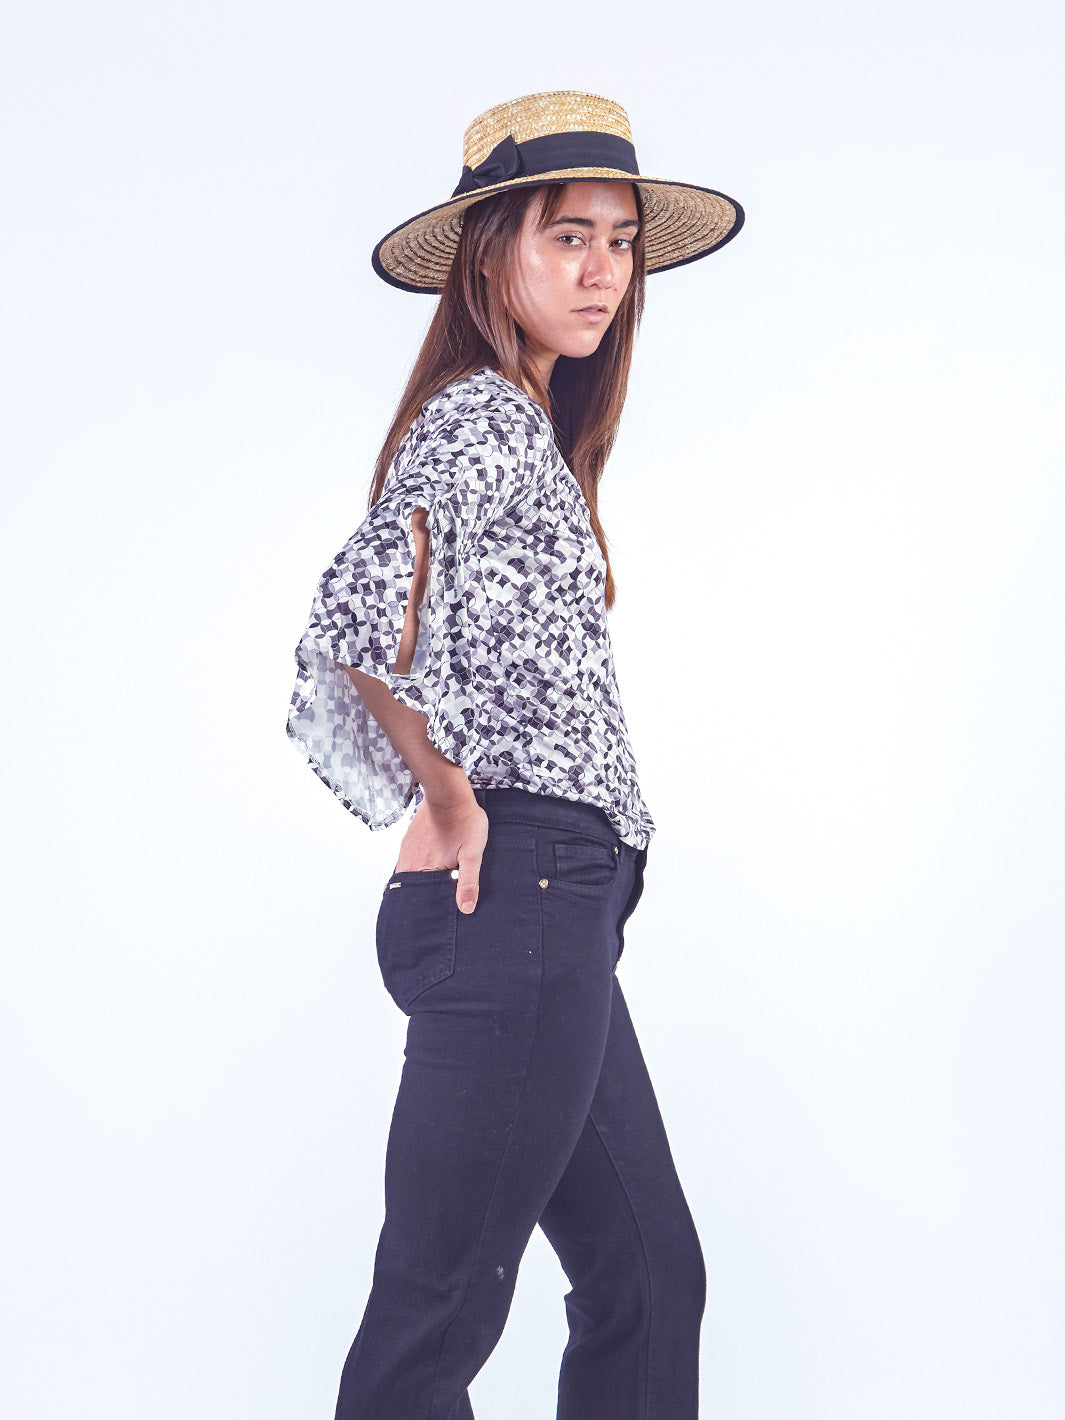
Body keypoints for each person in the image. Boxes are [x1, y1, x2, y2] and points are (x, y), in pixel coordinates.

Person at [287, 89, 743, 1420]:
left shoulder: (529, 432)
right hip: (518, 895)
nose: (602, 270)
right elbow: (352, 618)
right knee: (435, 1316)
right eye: (566, 236)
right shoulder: (482, 418)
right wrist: (447, 794)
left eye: (620, 241)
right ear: (492, 256)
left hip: (550, 906)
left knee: (648, 1273)